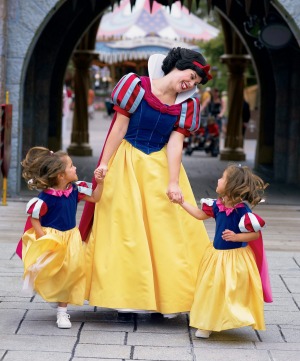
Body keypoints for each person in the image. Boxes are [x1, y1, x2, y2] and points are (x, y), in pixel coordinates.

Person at [79, 47, 213, 316]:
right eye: (191, 76)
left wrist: (173, 182)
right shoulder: (135, 85)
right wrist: (104, 163)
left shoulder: (188, 104)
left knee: (167, 231)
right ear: (179, 65)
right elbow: (119, 127)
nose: (191, 83)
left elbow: (176, 144)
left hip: (160, 167)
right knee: (124, 229)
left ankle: (170, 298)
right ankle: (128, 298)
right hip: (126, 163)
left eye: (195, 82)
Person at [175, 164, 273, 338]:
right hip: (216, 257)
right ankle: (207, 323)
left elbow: (254, 235)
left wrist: (237, 237)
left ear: (230, 185)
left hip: (235, 259)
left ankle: (233, 316)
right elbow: (199, 215)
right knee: (211, 289)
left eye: (222, 178)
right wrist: (182, 202)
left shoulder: (242, 210)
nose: (218, 180)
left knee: (230, 290)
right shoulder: (217, 205)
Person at [16, 147, 104, 329]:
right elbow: (35, 218)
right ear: (60, 176)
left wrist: (100, 183)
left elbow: (96, 198)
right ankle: (56, 295)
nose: (75, 168)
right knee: (53, 272)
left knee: (70, 271)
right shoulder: (45, 198)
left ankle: (62, 312)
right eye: (71, 166)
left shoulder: (75, 190)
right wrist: (44, 239)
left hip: (71, 237)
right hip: (53, 239)